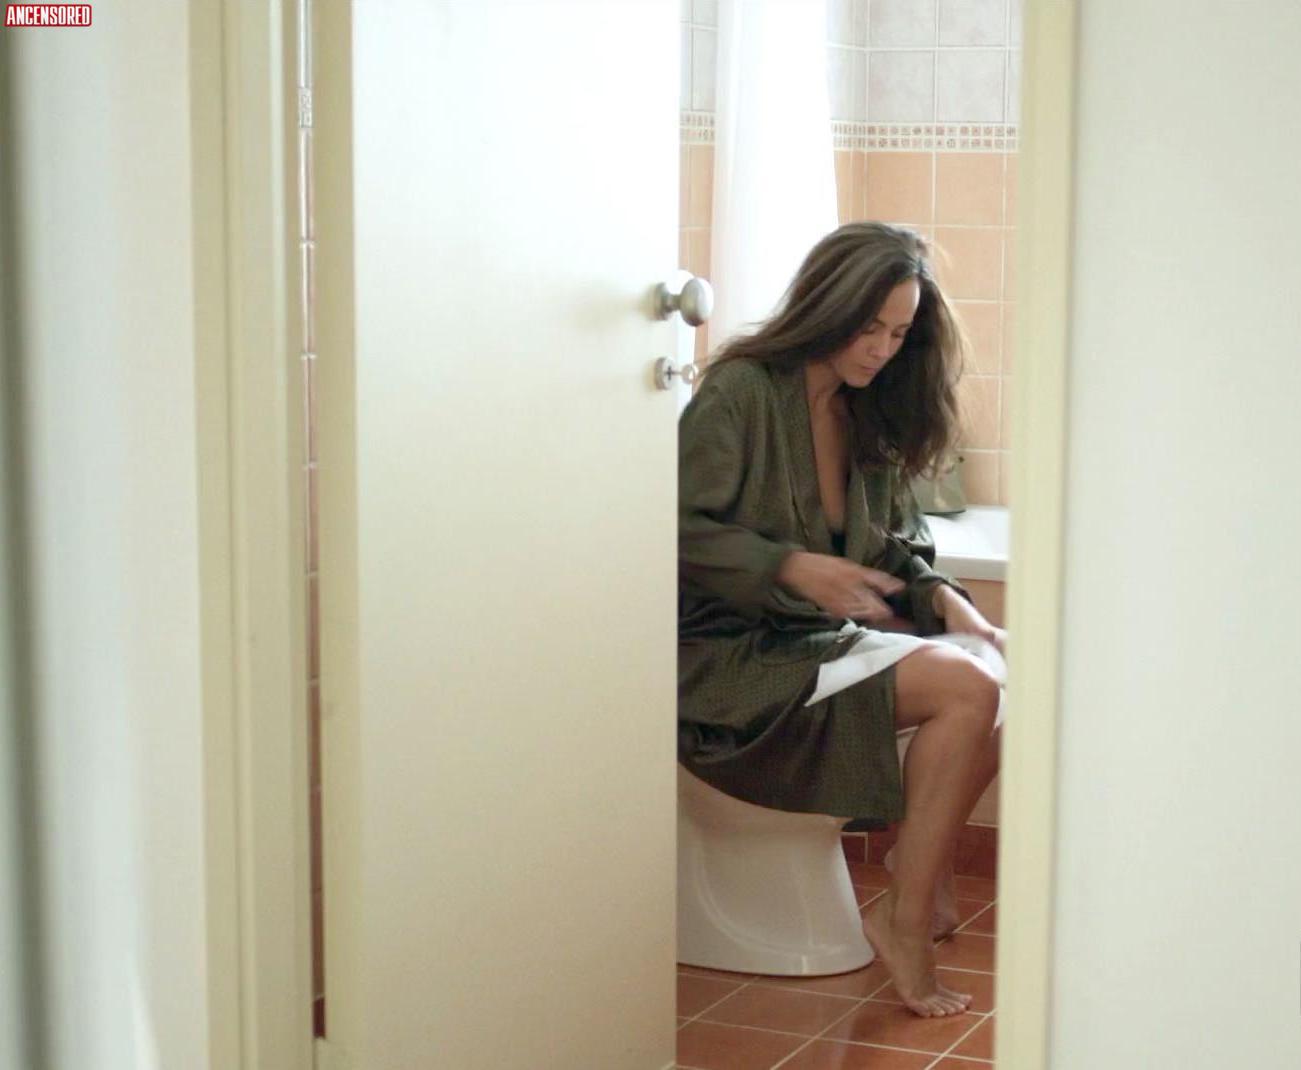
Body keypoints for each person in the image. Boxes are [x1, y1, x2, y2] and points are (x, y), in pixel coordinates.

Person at [678, 221, 1005, 1018]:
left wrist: (952, 605)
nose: (882, 350)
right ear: (826, 306)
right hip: (726, 659)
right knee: (965, 689)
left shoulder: (865, 410)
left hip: (810, 644)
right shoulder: (742, 393)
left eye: (898, 333)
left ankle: (917, 870)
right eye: (868, 329)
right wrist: (787, 566)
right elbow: (672, 528)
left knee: (998, 670)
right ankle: (905, 916)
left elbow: (894, 547)